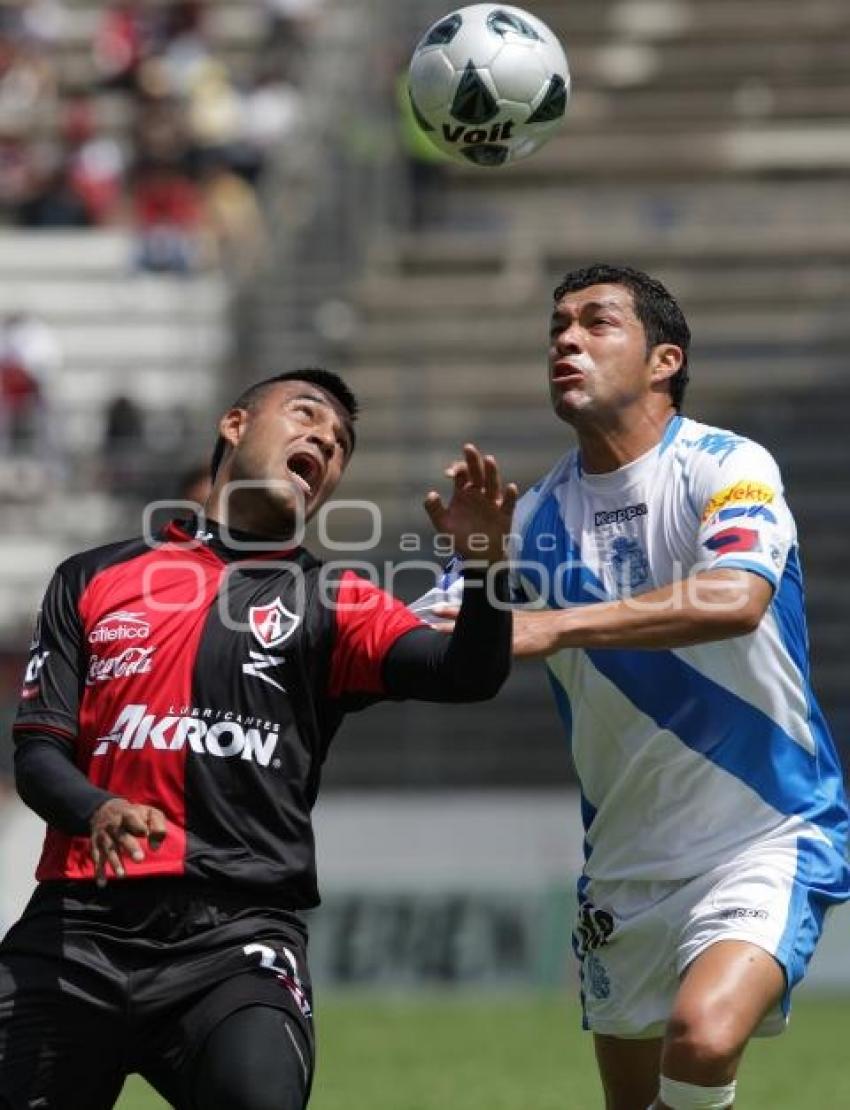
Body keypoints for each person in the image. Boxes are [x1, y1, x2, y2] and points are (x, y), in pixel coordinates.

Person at [0, 368, 516, 1110]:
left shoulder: (336, 601)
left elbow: (467, 673)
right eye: (305, 415)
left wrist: (487, 565)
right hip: (78, 928)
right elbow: (38, 755)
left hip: (234, 942)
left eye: (338, 446)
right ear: (235, 425)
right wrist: (97, 810)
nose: (323, 441)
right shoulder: (93, 577)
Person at [423, 264, 850, 1110]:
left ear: (664, 361)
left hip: (768, 831)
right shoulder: (534, 514)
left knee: (701, 1039)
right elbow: (419, 635)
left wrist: (555, 625)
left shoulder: (724, 464)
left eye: (596, 323)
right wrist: (474, 572)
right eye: (557, 329)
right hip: (625, 861)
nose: (567, 340)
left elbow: (738, 596)